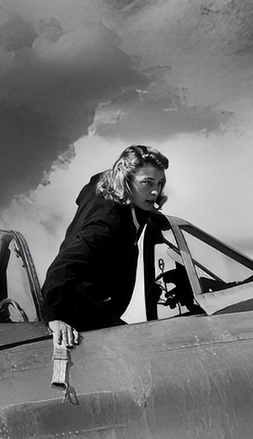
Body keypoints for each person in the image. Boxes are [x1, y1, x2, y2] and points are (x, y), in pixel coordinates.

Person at [43, 144, 169, 349]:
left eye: (160, 183)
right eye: (147, 183)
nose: (155, 191)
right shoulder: (106, 226)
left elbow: (90, 187)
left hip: (95, 306)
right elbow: (63, 266)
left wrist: (147, 204)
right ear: (126, 180)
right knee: (144, 349)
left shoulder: (105, 184)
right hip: (82, 313)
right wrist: (55, 316)